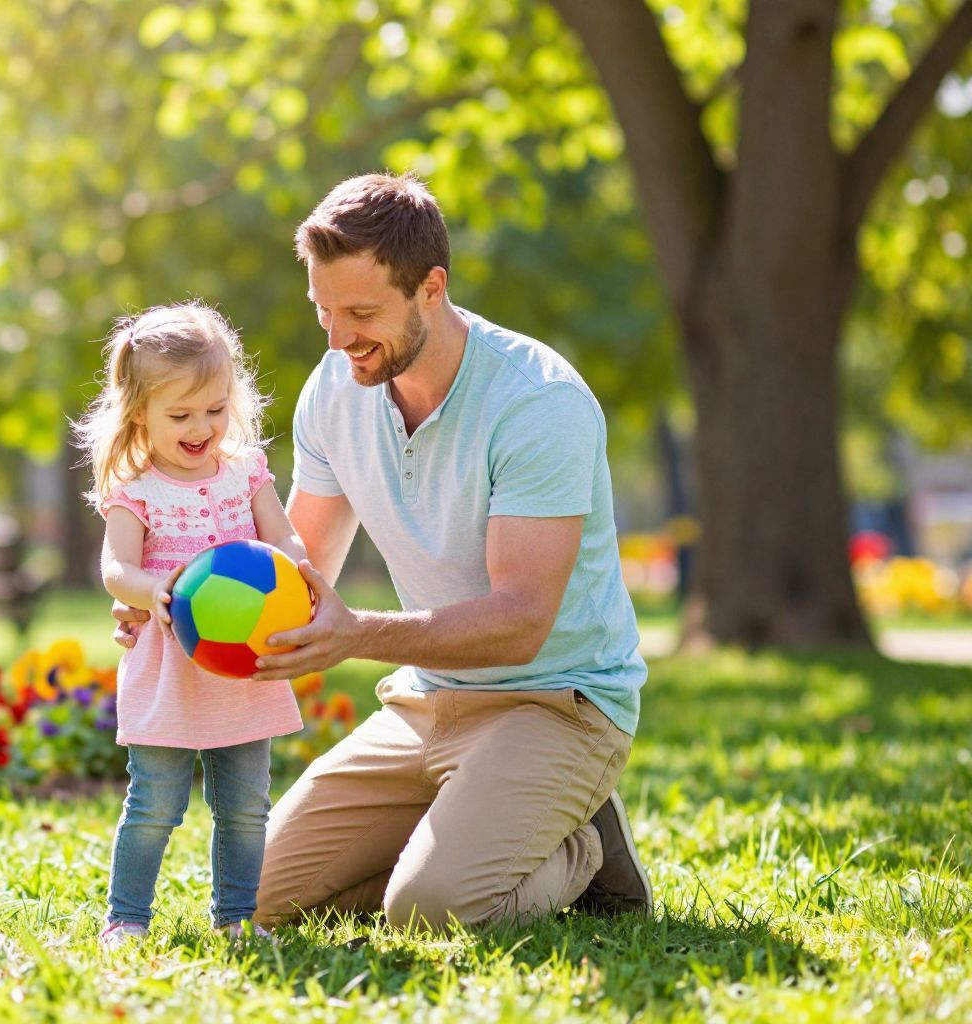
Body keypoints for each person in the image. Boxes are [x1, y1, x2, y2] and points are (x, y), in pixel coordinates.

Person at [114, 173, 652, 933]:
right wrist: (171, 600)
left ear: (430, 288)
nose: (337, 339)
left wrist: (358, 634)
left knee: (428, 911)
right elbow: (293, 575)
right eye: (324, 311)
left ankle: (581, 848)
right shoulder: (335, 392)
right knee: (261, 897)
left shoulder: (538, 403)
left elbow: (522, 621)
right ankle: (470, 827)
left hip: (556, 704)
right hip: (424, 704)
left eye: (361, 313)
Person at [76, 301, 307, 948]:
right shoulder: (137, 489)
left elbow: (284, 538)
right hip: (169, 667)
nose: (201, 426)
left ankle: (236, 918)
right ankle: (126, 918)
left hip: (243, 667)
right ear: (138, 414)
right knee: (154, 805)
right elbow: (116, 568)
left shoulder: (244, 472)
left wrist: (297, 572)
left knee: (243, 807)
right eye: (180, 415)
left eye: (214, 408)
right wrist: (154, 589)